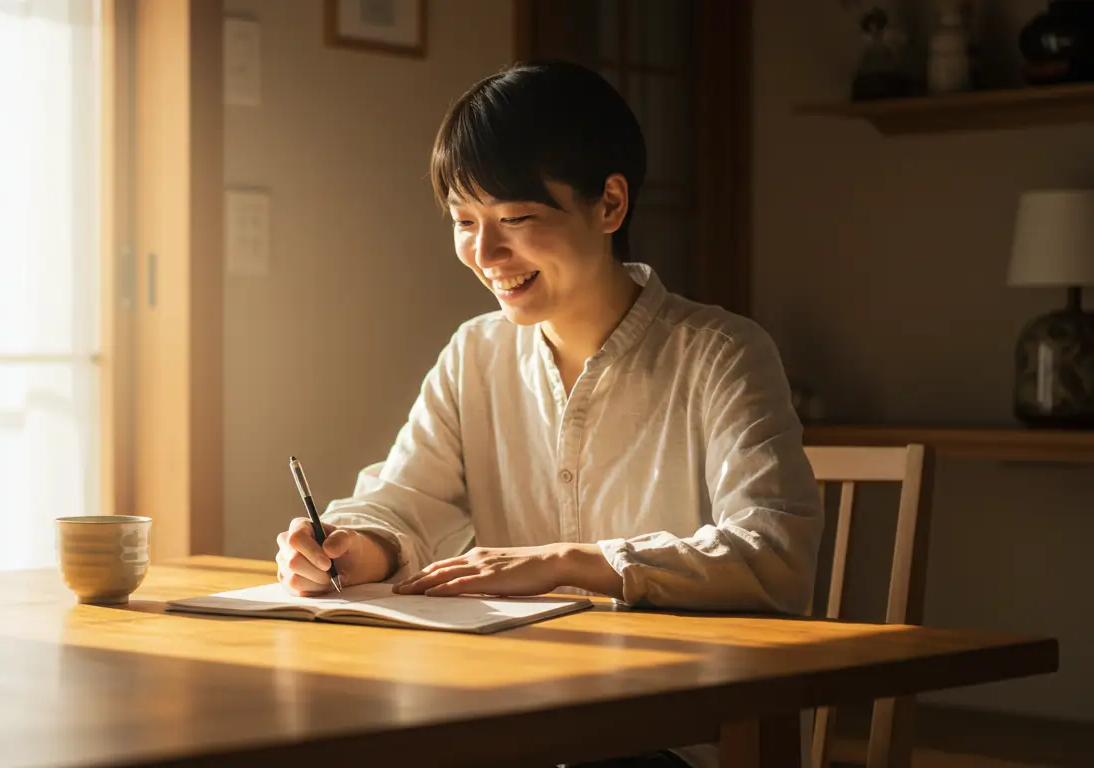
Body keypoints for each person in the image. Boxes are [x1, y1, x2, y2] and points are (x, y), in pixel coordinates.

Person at [273, 60, 823, 768]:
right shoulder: (476, 353)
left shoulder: (721, 354)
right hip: (517, 713)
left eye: (518, 220)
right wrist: (352, 548)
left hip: (676, 737)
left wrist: (572, 563)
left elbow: (774, 555)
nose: (486, 253)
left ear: (610, 206)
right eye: (464, 222)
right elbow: (406, 499)